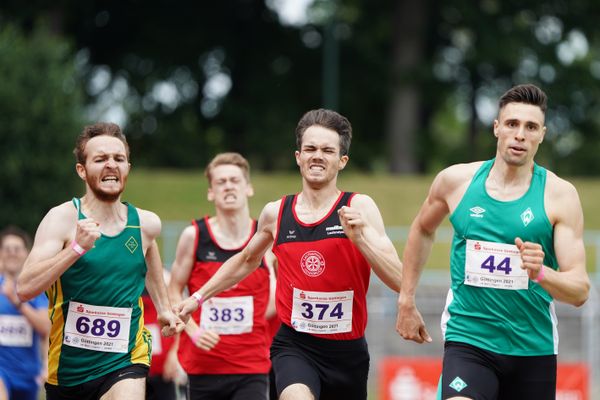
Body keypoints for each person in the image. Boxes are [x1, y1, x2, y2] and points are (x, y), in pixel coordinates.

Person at [176, 109, 403, 400]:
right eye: (310, 149)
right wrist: (198, 298)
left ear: (341, 161)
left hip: (347, 352)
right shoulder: (276, 213)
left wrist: (361, 240)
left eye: (327, 150)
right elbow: (246, 260)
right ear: (298, 156)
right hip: (296, 346)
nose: (317, 156)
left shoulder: (360, 207)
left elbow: (398, 279)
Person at [395, 84, 591, 399]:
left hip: (532, 347)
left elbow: (580, 290)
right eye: (512, 124)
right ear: (497, 128)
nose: (520, 134)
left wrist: (541, 273)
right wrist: (406, 299)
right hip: (470, 340)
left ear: (542, 134)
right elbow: (422, 229)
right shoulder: (455, 182)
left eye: (530, 127)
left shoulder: (560, 196)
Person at [16, 122, 184, 400]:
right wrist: (76, 249)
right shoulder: (61, 219)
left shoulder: (145, 224)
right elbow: (25, 288)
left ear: (128, 168)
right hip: (68, 370)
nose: (111, 165)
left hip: (125, 359)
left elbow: (149, 250)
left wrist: (164, 306)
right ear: (82, 170)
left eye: (118, 159)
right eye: (100, 159)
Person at [168, 152, 276, 400]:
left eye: (235, 180)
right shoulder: (194, 236)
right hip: (203, 364)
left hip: (251, 365)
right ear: (210, 192)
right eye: (221, 181)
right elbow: (173, 290)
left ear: (248, 188)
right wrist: (193, 330)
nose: (228, 186)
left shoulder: (267, 238)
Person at [0, 226, 51, 400]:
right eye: (7, 249)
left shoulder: (35, 290)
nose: (12, 253)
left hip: (28, 375)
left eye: (17, 249)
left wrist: (17, 303)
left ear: (26, 253)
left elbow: (45, 328)